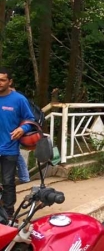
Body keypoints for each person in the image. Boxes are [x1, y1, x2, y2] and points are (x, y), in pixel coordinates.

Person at [0, 67, 35, 218]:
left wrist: (23, 128)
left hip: (9, 148)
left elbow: (31, 119)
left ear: (10, 81)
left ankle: (8, 214)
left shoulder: (19, 100)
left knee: (8, 183)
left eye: (2, 80)